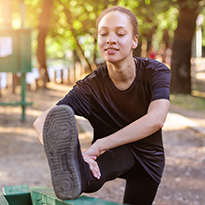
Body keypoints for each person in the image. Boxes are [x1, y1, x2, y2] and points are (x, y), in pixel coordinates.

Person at [33, 6, 171, 205]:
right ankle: (76, 170)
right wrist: (67, 155)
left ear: (134, 41)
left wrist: (99, 145)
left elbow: (156, 119)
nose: (111, 39)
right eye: (104, 33)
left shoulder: (155, 72)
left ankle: (79, 168)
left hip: (149, 159)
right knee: (86, 175)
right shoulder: (90, 87)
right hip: (114, 153)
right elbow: (41, 121)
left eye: (120, 33)